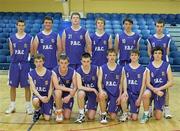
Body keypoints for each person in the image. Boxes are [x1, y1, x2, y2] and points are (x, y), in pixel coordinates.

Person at [5, 19, 33, 114]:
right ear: (16, 26)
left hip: (25, 64)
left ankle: (28, 106)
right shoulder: (11, 38)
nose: (21, 27)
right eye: (19, 25)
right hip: (14, 64)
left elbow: (31, 52)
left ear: (24, 26)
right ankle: (12, 106)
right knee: (12, 86)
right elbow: (11, 52)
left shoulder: (29, 38)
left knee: (27, 86)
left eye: (22, 25)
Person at [140, 46, 173, 124]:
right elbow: (147, 83)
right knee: (145, 94)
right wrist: (155, 90)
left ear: (162, 55)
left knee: (158, 117)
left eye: (159, 53)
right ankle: (146, 113)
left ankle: (155, 108)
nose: (157, 55)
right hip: (151, 89)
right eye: (155, 53)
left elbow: (171, 82)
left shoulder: (166, 65)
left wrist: (159, 89)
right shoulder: (149, 66)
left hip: (161, 91)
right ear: (152, 55)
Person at [147, 20, 172, 118]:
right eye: (157, 26)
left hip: (164, 65)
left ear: (164, 27)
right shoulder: (150, 38)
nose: (159, 28)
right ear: (155, 27)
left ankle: (166, 108)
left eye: (161, 26)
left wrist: (162, 63)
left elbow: (167, 52)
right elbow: (149, 52)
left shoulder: (167, 39)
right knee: (150, 86)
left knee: (166, 87)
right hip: (153, 65)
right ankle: (149, 108)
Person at [120, 49, 146, 122]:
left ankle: (131, 111)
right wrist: (125, 91)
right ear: (130, 57)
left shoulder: (143, 69)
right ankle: (125, 113)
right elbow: (124, 80)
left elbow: (143, 85)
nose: (134, 56)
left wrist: (140, 98)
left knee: (134, 118)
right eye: (132, 55)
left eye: (135, 55)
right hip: (128, 92)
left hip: (136, 94)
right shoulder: (125, 68)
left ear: (138, 57)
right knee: (123, 97)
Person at [98, 48, 123, 124]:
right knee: (101, 95)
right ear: (107, 56)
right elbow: (99, 82)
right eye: (110, 55)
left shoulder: (121, 68)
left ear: (116, 57)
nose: (112, 57)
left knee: (113, 117)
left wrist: (119, 96)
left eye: (114, 55)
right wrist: (101, 91)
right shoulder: (102, 68)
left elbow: (121, 84)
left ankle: (108, 108)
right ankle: (103, 114)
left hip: (115, 94)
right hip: (106, 92)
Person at [29, 54, 54, 122]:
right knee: (35, 101)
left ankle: (44, 108)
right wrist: (41, 98)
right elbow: (33, 89)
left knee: (47, 118)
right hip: (38, 96)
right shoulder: (31, 74)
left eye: (40, 61)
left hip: (47, 96)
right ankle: (37, 110)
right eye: (36, 62)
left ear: (43, 62)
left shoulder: (50, 73)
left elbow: (51, 88)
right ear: (34, 63)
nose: (38, 63)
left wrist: (48, 98)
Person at [75, 53, 99, 123]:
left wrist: (98, 91)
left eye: (88, 61)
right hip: (85, 91)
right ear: (81, 61)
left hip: (93, 94)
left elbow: (100, 83)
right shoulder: (78, 71)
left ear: (90, 61)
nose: (86, 63)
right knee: (80, 93)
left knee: (91, 117)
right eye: (84, 61)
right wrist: (93, 89)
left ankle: (87, 106)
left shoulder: (96, 68)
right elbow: (79, 86)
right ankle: (81, 113)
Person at [53, 54, 77, 122]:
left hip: (67, 94)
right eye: (61, 63)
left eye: (65, 63)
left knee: (67, 117)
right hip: (59, 92)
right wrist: (70, 89)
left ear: (68, 63)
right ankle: (59, 111)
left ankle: (59, 105)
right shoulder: (54, 71)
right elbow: (56, 86)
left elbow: (75, 87)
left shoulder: (72, 72)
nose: (63, 65)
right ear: (58, 63)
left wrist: (69, 96)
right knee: (58, 91)